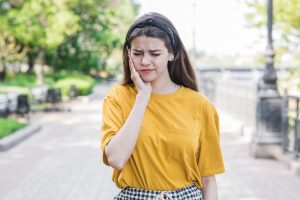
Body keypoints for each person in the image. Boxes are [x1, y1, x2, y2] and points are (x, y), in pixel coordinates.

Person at [101, 12, 225, 200]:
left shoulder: (201, 105)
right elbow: (116, 159)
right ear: (128, 54)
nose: (145, 61)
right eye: (137, 53)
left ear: (171, 53)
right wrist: (143, 96)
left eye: (155, 53)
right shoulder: (118, 98)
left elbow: (208, 180)